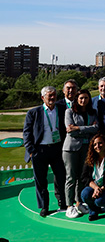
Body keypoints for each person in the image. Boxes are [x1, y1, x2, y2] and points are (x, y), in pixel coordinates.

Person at [23, 85, 67, 217]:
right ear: (43, 97)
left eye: (54, 95)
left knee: (61, 178)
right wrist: (31, 151)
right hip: (40, 150)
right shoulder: (34, 112)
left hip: (57, 148)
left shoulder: (62, 109)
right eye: (49, 95)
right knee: (41, 181)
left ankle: (63, 202)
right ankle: (44, 206)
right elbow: (27, 133)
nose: (52, 98)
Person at [63, 89, 98, 218]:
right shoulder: (69, 112)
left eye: (86, 98)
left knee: (82, 177)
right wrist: (88, 129)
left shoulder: (92, 113)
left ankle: (79, 203)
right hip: (71, 148)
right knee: (71, 177)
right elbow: (70, 131)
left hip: (86, 148)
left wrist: (78, 128)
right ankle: (69, 205)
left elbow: (96, 128)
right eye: (81, 98)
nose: (83, 100)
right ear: (77, 99)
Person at [80, 133, 105, 221]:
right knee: (85, 194)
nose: (98, 146)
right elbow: (84, 177)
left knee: (99, 201)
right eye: (95, 144)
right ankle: (93, 211)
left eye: (100, 143)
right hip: (95, 187)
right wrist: (96, 188)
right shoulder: (90, 159)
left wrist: (101, 189)